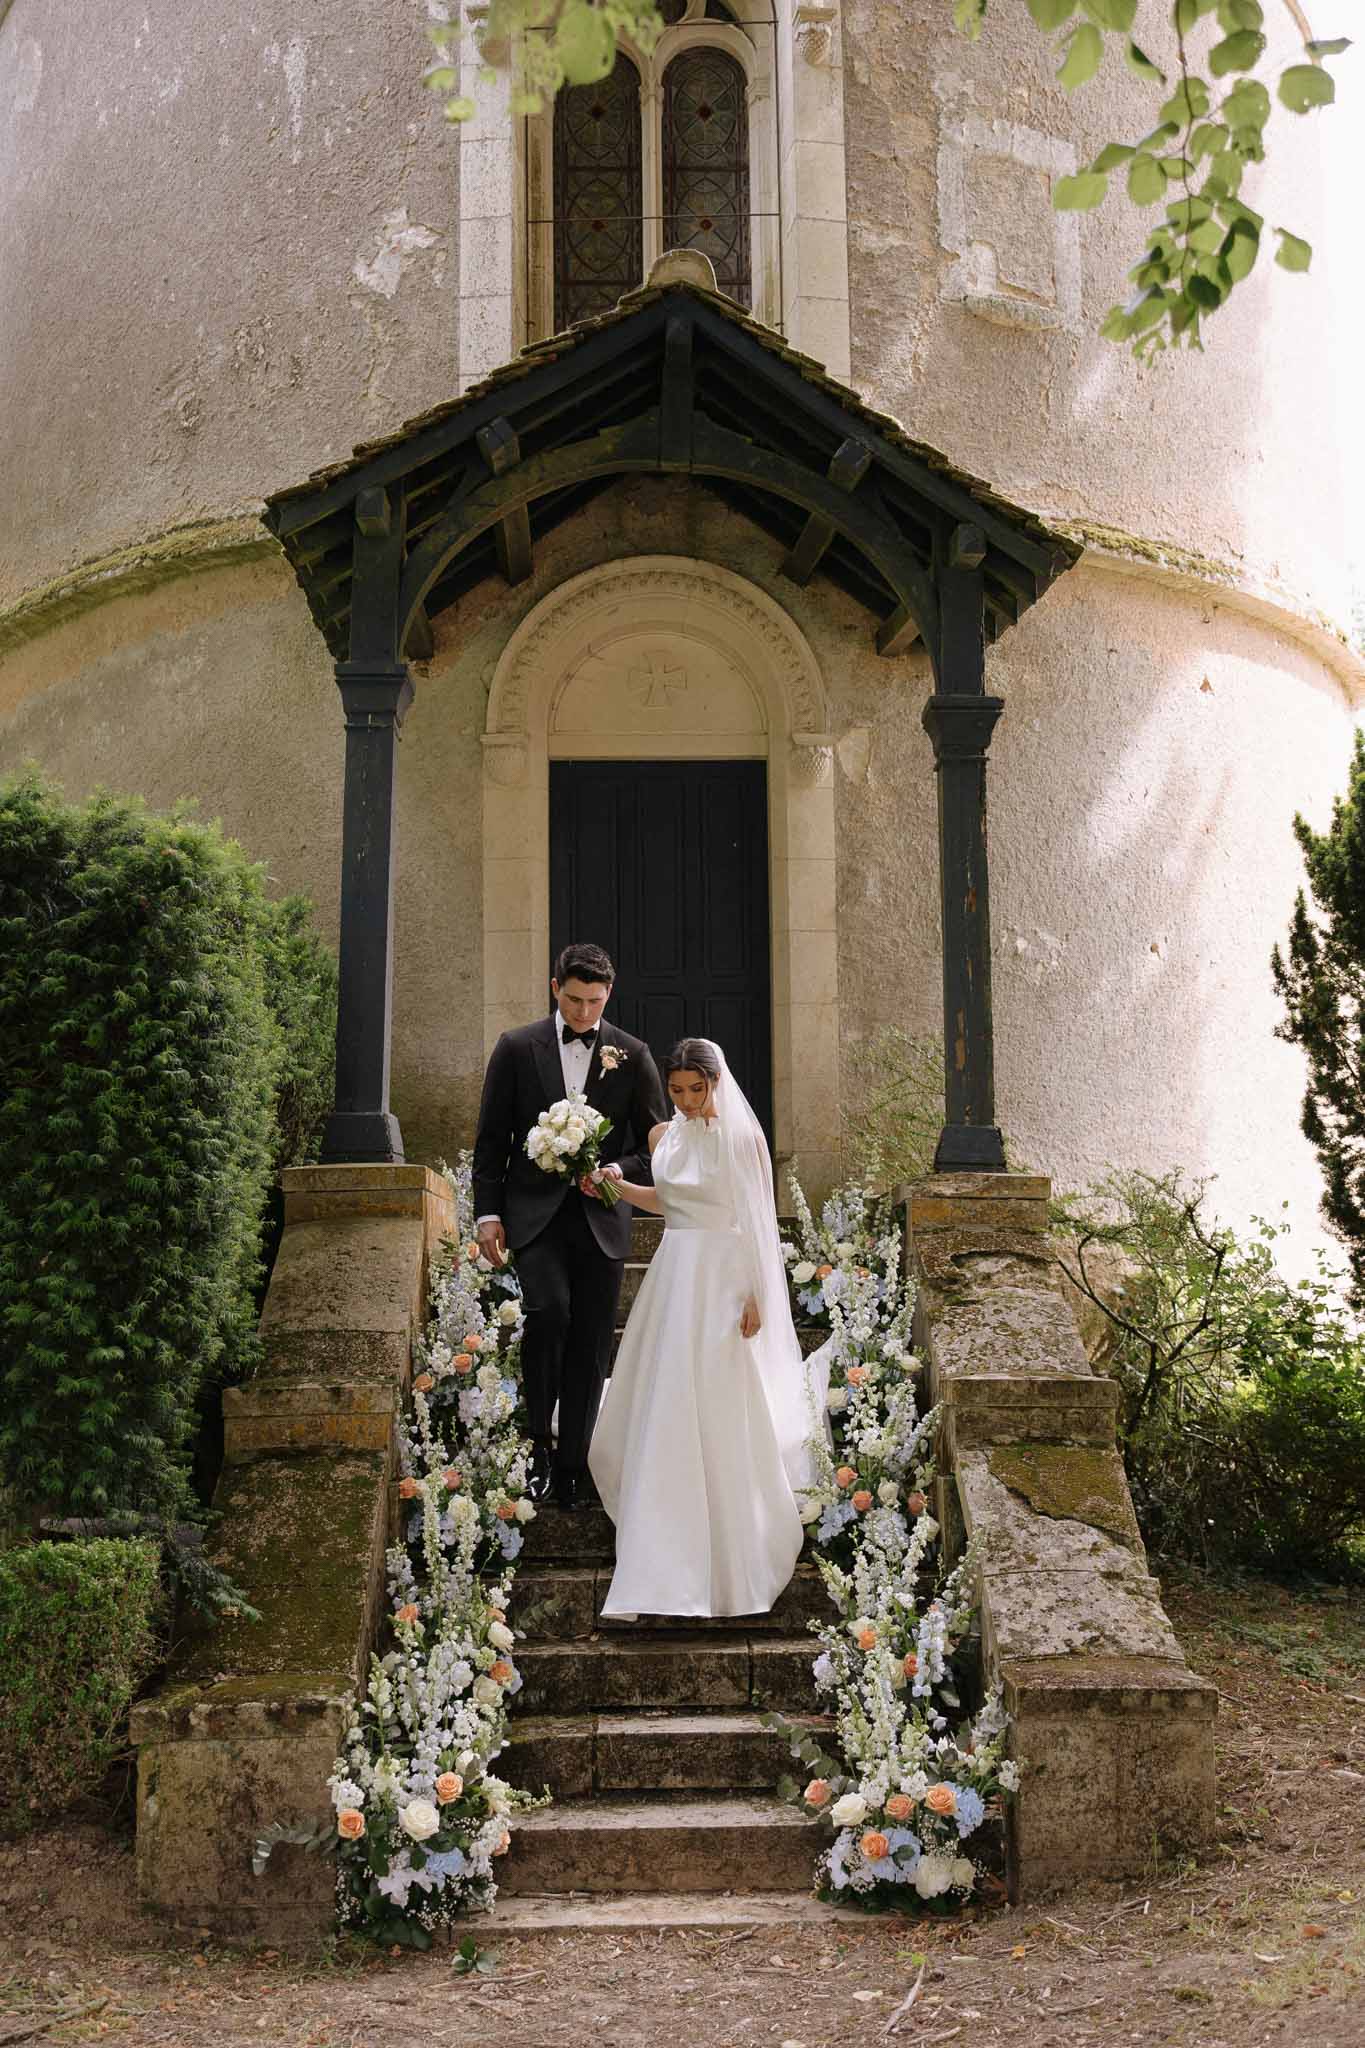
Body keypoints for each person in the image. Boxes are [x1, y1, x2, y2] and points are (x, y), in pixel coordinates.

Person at [588, 1037, 829, 1619]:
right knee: (666, 1401)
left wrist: (756, 1292)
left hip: (723, 1277)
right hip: (675, 1275)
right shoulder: (668, 1137)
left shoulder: (742, 1139)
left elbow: (756, 1221)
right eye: (677, 1090)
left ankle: (729, 1555)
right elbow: (670, 1205)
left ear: (717, 1083)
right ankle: (662, 1550)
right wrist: (613, 1187)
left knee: (720, 1404)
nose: (688, 1100)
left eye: (697, 1089)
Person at [472, 942, 669, 1511]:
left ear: (609, 995)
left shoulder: (632, 1053)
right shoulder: (515, 1048)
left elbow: (656, 1146)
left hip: (603, 1217)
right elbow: (491, 1139)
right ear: (554, 988)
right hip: (533, 1216)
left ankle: (574, 1464)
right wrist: (487, 1213)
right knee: (548, 1312)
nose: (585, 1013)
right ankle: (536, 1444)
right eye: (576, 1000)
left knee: (590, 1337)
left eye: (596, 1001)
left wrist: (617, 1169)